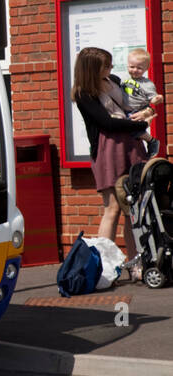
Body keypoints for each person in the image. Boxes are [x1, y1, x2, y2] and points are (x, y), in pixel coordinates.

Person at [72, 47, 153, 258]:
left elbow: (138, 101)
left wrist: (147, 111)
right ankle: (103, 265)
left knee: (132, 209)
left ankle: (136, 262)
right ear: (92, 68)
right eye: (106, 65)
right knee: (113, 208)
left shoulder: (115, 80)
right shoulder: (84, 93)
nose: (111, 68)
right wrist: (138, 125)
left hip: (131, 145)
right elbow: (106, 123)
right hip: (108, 149)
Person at [121, 48, 163, 156]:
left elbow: (152, 99)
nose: (135, 70)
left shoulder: (147, 84)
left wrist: (156, 99)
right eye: (132, 67)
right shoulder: (123, 78)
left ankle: (151, 141)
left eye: (139, 68)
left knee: (134, 129)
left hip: (139, 110)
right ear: (127, 65)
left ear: (146, 68)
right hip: (124, 109)